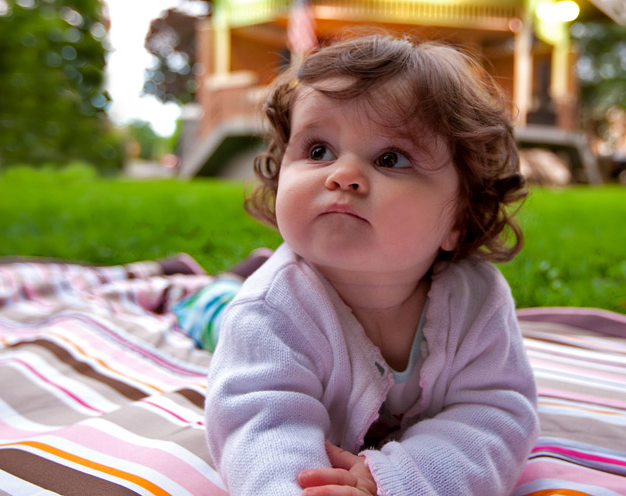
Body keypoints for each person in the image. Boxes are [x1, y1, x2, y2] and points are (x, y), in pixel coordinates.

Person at [205, 34, 539, 496]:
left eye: (391, 158)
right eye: (319, 150)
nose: (341, 175)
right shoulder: (270, 311)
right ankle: (216, 288)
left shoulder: (476, 300)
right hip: (232, 314)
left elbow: (496, 414)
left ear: (458, 219)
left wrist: (402, 478)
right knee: (211, 312)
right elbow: (258, 424)